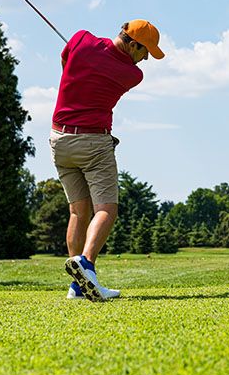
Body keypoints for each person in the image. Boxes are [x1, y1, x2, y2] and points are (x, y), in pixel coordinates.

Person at [49, 19, 165, 302]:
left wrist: (81, 63)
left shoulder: (80, 38)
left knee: (78, 211)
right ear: (132, 44)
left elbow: (65, 60)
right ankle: (86, 264)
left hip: (59, 138)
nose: (146, 59)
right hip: (93, 142)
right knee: (106, 209)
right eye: (145, 51)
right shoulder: (132, 74)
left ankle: (77, 286)